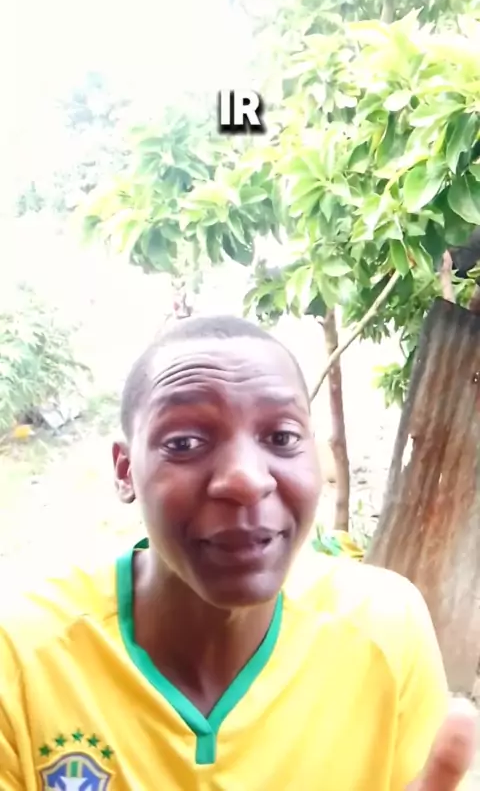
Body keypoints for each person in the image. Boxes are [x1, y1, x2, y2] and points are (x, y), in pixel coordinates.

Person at [0, 315, 476, 790]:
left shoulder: (385, 628)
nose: (245, 480)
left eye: (282, 438)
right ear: (126, 471)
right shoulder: (21, 662)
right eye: (185, 443)